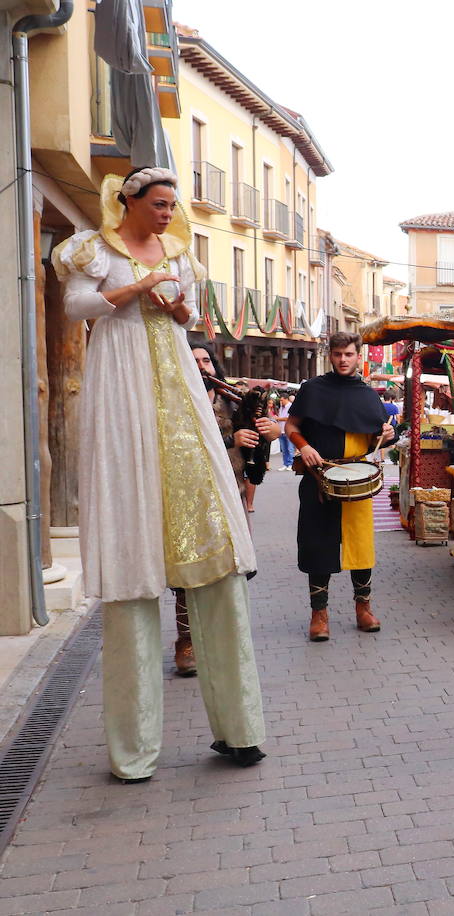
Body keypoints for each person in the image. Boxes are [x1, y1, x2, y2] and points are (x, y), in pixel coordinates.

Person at [55, 166, 266, 780]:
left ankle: (240, 729)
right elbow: (76, 308)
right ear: (132, 202)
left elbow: (184, 318)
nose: (170, 213)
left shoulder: (181, 255)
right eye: (161, 203)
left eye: (174, 204)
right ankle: (134, 752)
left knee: (216, 558)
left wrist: (174, 303)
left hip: (178, 391)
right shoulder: (94, 249)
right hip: (121, 387)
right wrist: (136, 287)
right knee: (132, 570)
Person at [169, 346, 279, 678]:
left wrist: (269, 433)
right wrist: (231, 439)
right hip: (190, 496)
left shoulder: (233, 402)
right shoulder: (175, 401)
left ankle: (223, 641)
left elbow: (256, 453)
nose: (201, 367)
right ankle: (186, 642)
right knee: (189, 573)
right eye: (193, 360)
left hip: (231, 494)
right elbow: (177, 443)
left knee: (230, 569)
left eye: (206, 361)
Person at [286, 331, 396, 642]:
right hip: (318, 477)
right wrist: (304, 446)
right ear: (331, 356)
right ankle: (319, 614)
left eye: (348, 354)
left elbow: (380, 433)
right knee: (318, 544)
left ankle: (364, 608)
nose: (343, 359)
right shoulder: (312, 389)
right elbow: (291, 426)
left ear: (358, 356)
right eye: (338, 354)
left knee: (360, 544)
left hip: (357, 481)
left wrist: (388, 433)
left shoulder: (367, 394)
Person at [277, 394, 295, 469]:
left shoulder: (291, 406)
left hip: (288, 431)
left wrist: (277, 418)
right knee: (284, 450)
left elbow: (288, 418)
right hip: (281, 431)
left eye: (282, 400)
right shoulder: (281, 407)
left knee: (290, 448)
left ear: (286, 399)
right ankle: (285, 464)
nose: (281, 402)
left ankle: (291, 464)